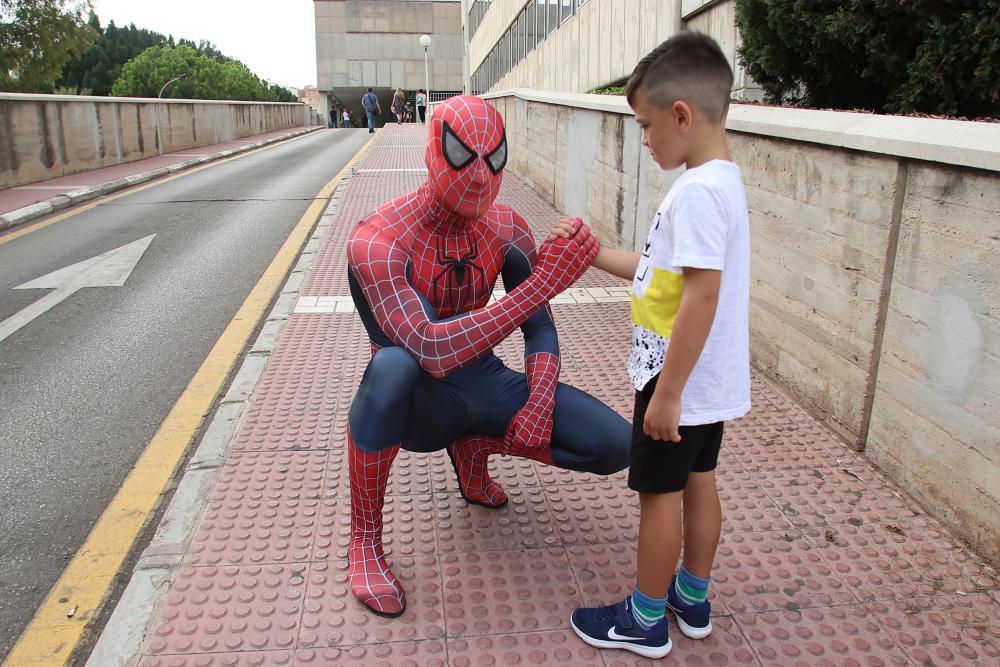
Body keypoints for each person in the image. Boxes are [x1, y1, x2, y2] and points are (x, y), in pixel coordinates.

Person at [346, 95, 631, 618]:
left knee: (613, 444)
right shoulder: (379, 239)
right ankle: (364, 541)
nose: (480, 174)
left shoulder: (507, 228)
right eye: (461, 154)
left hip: (484, 380)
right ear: (432, 153)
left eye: (494, 158)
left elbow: (539, 328)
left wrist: (539, 403)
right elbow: (427, 348)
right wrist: (541, 284)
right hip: (420, 402)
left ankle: (475, 447)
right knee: (391, 367)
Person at [557, 33, 750, 659]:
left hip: (675, 382)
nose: (644, 139)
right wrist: (593, 254)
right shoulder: (722, 182)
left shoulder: (694, 193)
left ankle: (644, 618)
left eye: (645, 126)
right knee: (700, 482)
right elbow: (661, 272)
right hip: (709, 382)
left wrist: (665, 395)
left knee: (659, 497)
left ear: (682, 115)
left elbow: (700, 299)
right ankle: (691, 598)